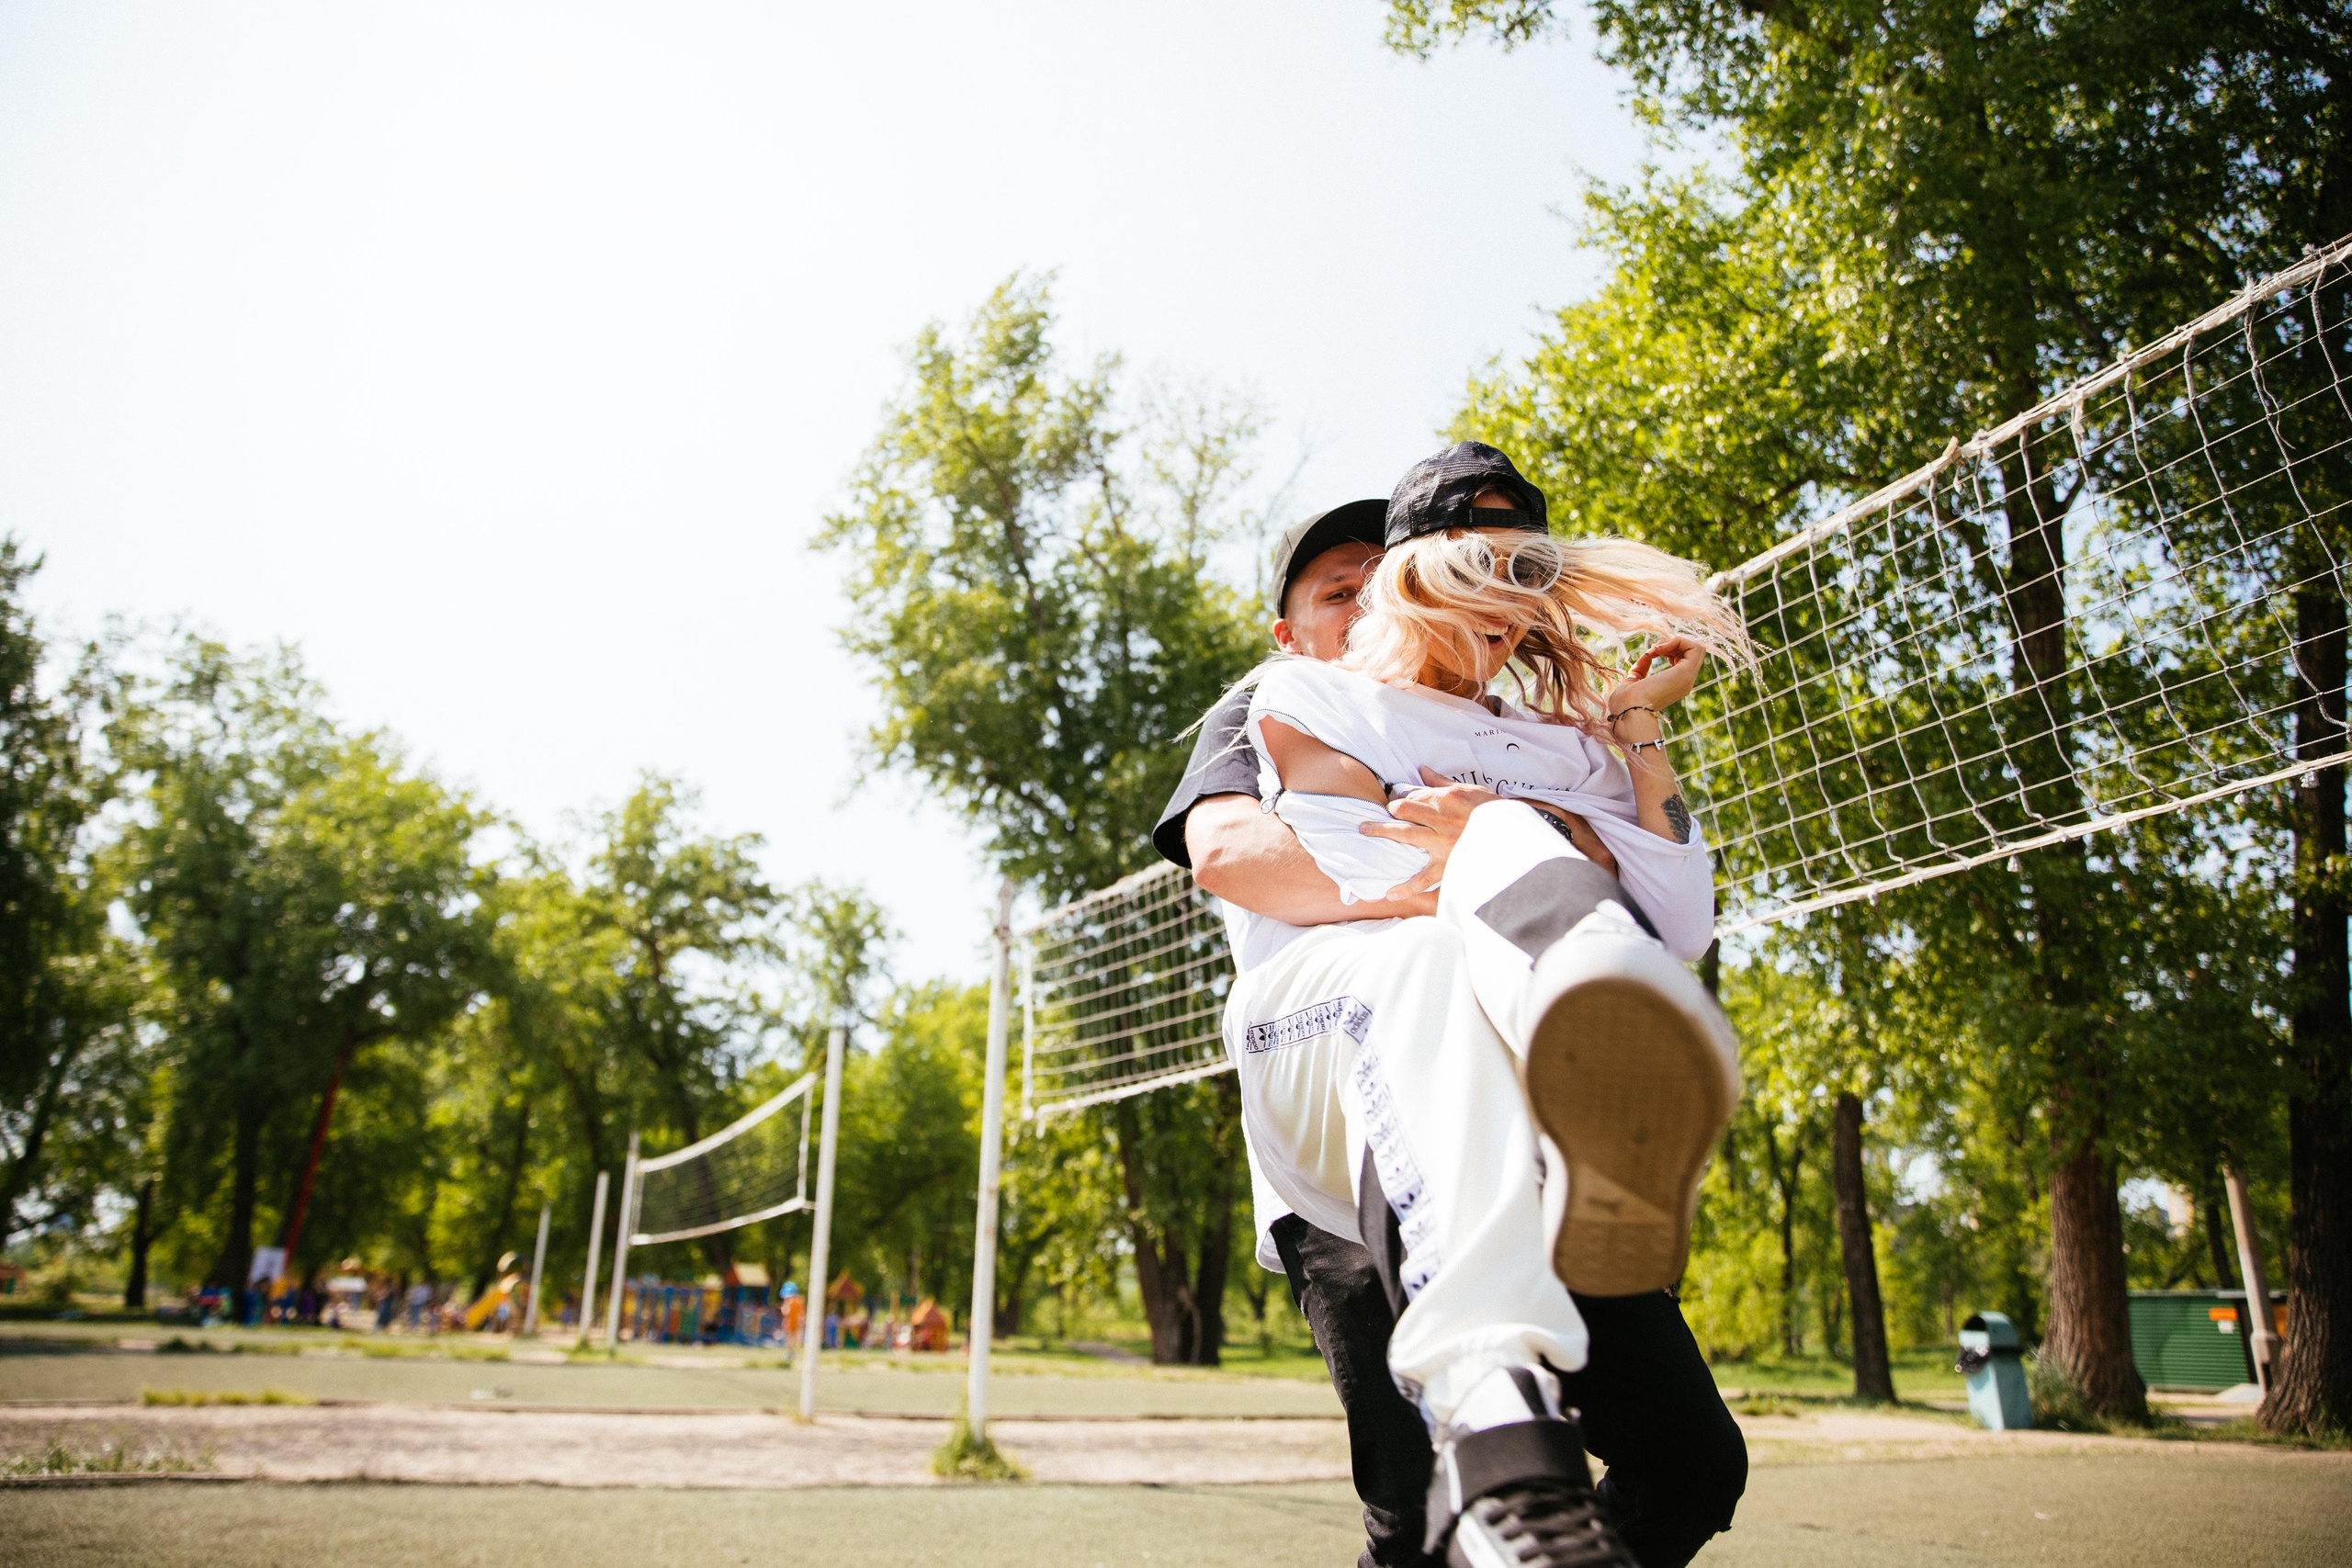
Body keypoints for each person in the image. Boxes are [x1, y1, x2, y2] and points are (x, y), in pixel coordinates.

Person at [1154, 450, 1747, 1568]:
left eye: (1520, 571)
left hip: (1511, 1095)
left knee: (1689, 1465)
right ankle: (1576, 984)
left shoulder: (1569, 736)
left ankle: (1515, 1491)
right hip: (1342, 1066)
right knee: (1437, 938)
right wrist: (1518, 851)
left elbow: (1678, 919)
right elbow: (1244, 852)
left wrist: (1627, 741)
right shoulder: (1284, 696)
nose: (1494, 594)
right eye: (1340, 585)